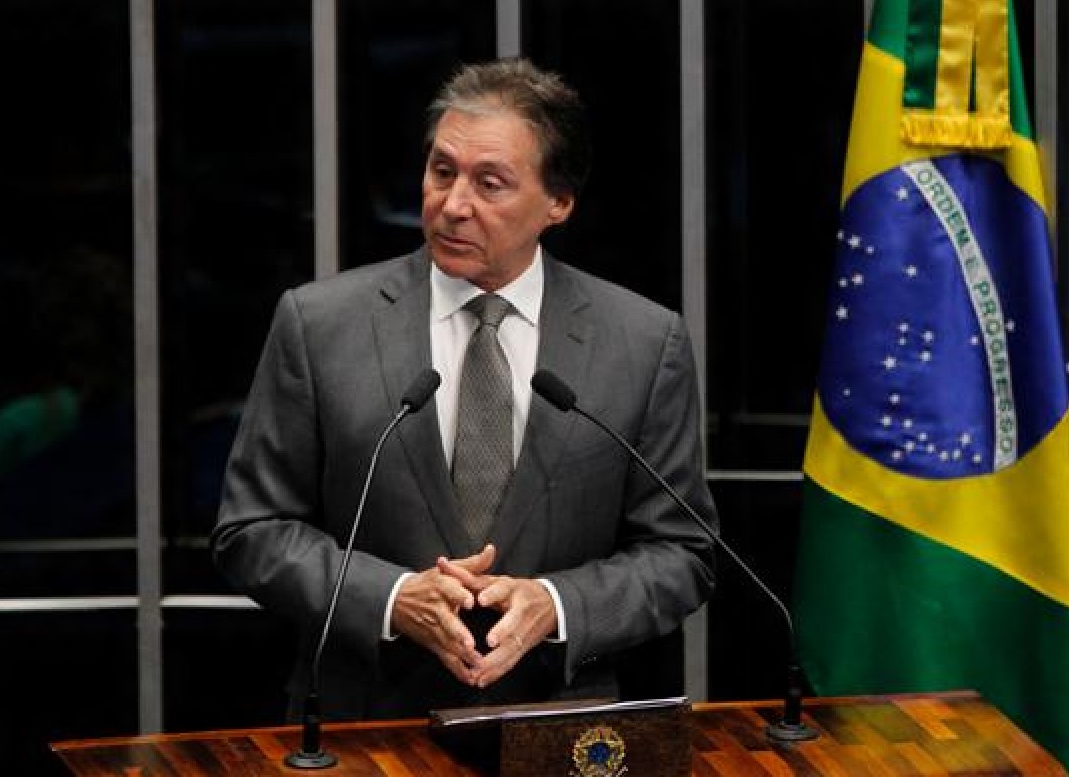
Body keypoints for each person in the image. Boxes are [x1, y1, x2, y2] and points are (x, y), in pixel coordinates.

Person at [212, 57, 717, 720]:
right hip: (364, 721)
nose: (452, 205)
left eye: (490, 183)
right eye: (442, 171)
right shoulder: (320, 324)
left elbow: (682, 552)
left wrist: (557, 604)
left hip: (557, 722)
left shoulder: (642, 342)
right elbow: (250, 530)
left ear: (558, 202)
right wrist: (390, 597)